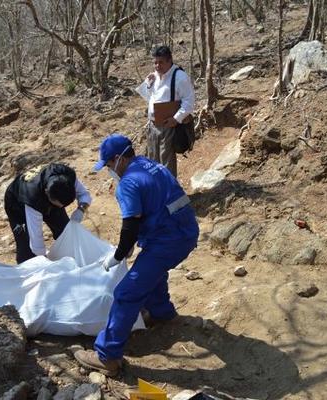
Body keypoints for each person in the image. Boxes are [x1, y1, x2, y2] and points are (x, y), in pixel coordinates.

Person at [74, 133, 199, 376]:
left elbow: (130, 225)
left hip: (168, 241)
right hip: (186, 231)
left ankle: (107, 356)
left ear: (118, 159)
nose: (110, 170)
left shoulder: (129, 183)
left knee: (126, 293)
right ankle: (162, 313)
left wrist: (119, 254)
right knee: (151, 273)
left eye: (109, 165)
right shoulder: (152, 165)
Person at [4, 163, 92, 264]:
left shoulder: (66, 176)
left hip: (51, 196)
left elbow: (84, 194)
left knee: (66, 233)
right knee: (27, 250)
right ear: (47, 193)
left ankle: (75, 262)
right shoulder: (32, 198)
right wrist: (45, 264)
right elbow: (36, 240)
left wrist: (81, 210)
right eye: (59, 205)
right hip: (17, 204)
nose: (61, 208)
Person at [135, 45, 195, 177]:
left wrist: (176, 119)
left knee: (166, 163)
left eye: (160, 62)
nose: (157, 66)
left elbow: (189, 102)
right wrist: (148, 84)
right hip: (152, 126)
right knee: (153, 162)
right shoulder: (155, 76)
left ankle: (172, 196)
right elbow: (149, 98)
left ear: (169, 60)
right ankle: (158, 194)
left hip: (168, 126)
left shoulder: (180, 77)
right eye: (155, 62)